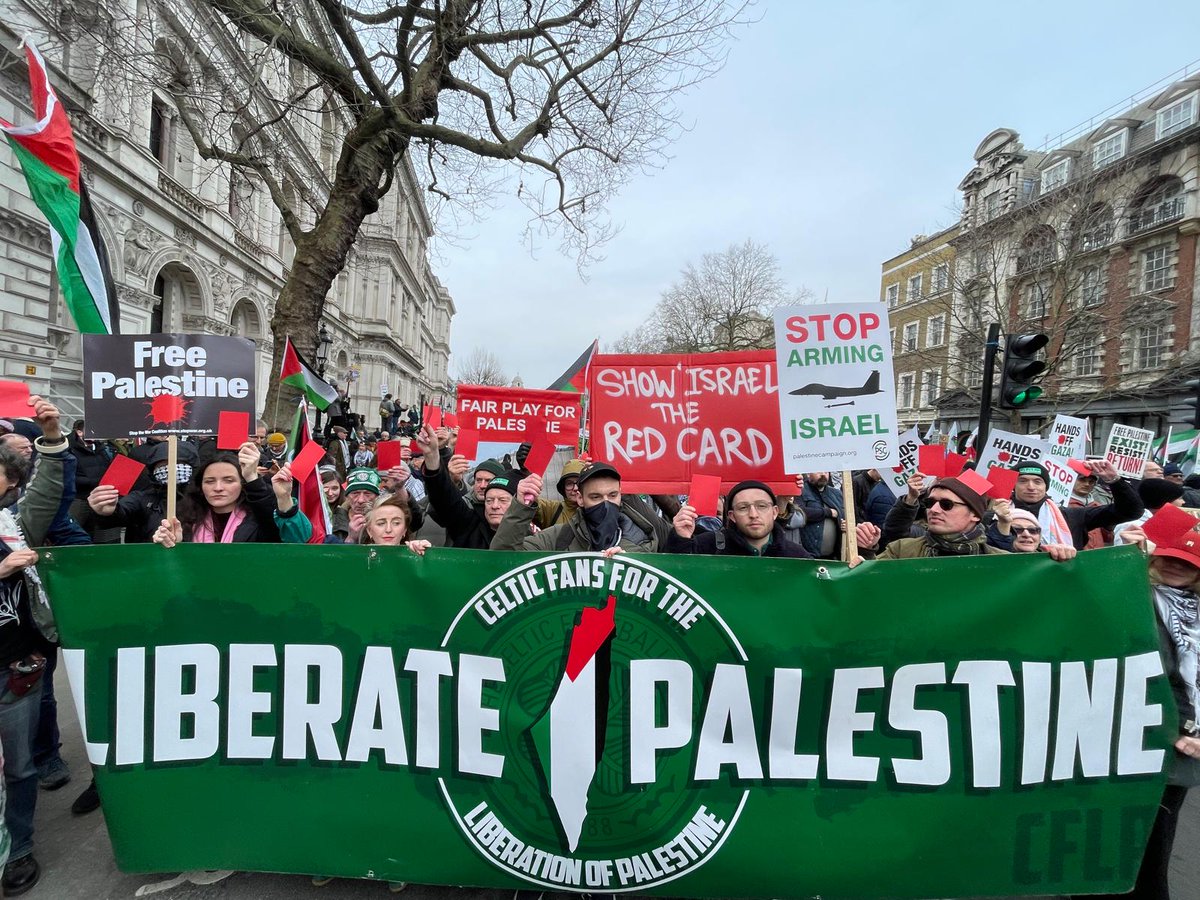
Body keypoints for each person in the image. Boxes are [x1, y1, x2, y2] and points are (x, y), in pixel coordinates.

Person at [0, 395, 68, 895]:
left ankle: (17, 849)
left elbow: (46, 492)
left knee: (19, 764)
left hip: (14, 665)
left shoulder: (15, 523)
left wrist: (50, 437)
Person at [856, 476, 1077, 560]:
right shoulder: (901, 550)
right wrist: (866, 553)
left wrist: (1058, 562)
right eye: (930, 503)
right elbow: (870, 588)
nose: (934, 509)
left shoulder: (999, 560)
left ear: (974, 515)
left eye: (946, 504)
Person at [151, 444, 310, 546]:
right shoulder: (183, 521)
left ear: (242, 484)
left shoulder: (260, 521)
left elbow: (296, 539)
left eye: (228, 480)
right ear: (200, 486)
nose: (218, 488)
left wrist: (283, 497)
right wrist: (175, 545)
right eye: (210, 481)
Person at [491, 462, 660, 553]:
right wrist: (521, 505)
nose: (606, 503)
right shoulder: (558, 538)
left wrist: (632, 566)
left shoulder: (643, 542)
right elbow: (502, 557)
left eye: (612, 495)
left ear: (621, 494)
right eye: (596, 497)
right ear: (580, 498)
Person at [1010, 460, 1142, 550]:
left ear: (1046, 486)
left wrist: (1114, 480)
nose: (1031, 487)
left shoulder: (1073, 516)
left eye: (1038, 481)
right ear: (1013, 485)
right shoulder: (995, 518)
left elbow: (1130, 511)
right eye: (1023, 481)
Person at [417, 425, 511, 549]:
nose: (494, 506)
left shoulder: (523, 530)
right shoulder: (469, 520)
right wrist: (432, 455)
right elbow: (443, 499)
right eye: (489, 500)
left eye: (502, 500)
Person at [88, 440, 200, 543]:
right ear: (153, 471)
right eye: (163, 465)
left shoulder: (201, 499)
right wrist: (106, 512)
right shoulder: (142, 498)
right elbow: (121, 512)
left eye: (180, 464)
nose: (172, 469)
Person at [668, 481, 811, 558]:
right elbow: (675, 577)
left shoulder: (797, 557)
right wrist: (681, 539)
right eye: (743, 508)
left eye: (761, 506)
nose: (753, 514)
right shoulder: (708, 545)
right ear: (732, 516)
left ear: (774, 512)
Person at [1112, 478, 1186, 544]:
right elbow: (1121, 555)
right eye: (1179, 498)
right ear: (1164, 501)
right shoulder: (1130, 525)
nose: (1183, 502)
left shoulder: (1166, 522)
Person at [357, 495, 431, 555]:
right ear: (369, 531)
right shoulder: (357, 560)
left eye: (396, 523)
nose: (388, 529)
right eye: (381, 523)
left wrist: (426, 555)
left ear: (404, 530)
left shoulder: (414, 558)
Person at [798, 472, 845, 559]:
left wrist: (844, 524)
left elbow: (844, 515)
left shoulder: (836, 494)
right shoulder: (800, 491)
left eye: (826, 472)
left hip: (833, 556)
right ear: (808, 474)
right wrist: (827, 512)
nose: (823, 475)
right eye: (819, 471)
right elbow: (799, 513)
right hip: (807, 555)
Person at [1006, 508, 1077, 558]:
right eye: (1017, 529)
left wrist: (1065, 553)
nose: (1027, 534)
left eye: (1033, 530)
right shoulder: (995, 554)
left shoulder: (1052, 556)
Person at [320, 468, 351, 540]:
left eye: (335, 488)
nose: (330, 493)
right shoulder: (315, 510)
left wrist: (342, 510)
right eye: (325, 488)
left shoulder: (348, 507)